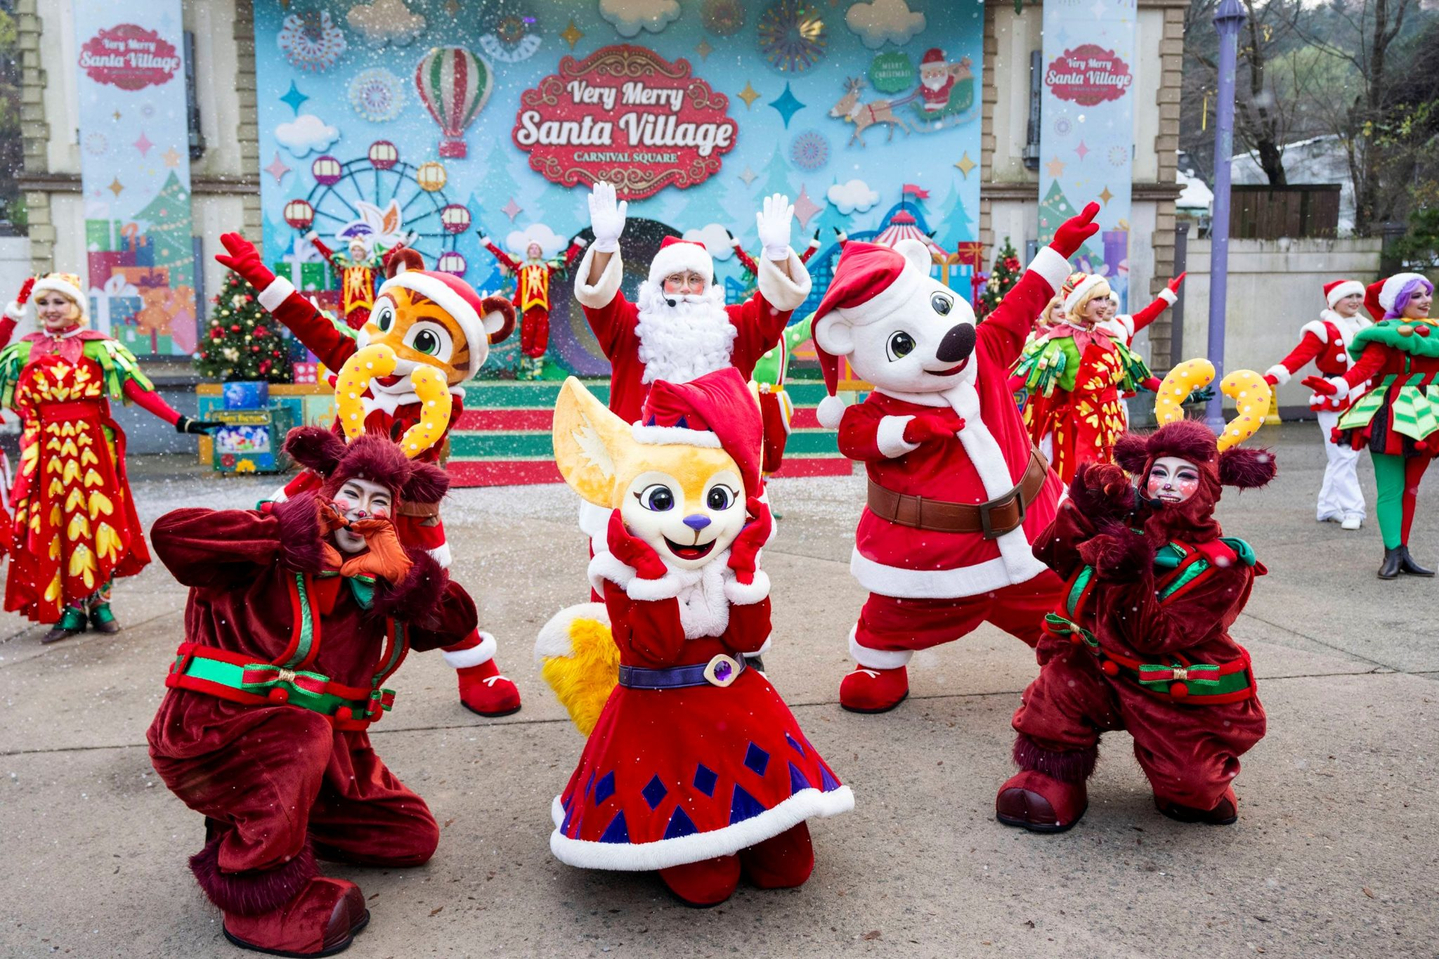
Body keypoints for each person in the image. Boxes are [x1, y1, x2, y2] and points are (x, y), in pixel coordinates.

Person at [148, 428, 474, 956]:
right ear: (327, 493)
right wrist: (284, 528)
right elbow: (172, 536)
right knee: (301, 732)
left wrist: (411, 571)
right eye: (352, 494)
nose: (362, 512)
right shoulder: (265, 551)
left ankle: (278, 819)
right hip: (216, 734)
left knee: (411, 837)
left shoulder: (378, 581)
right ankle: (258, 894)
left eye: (379, 502)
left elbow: (455, 625)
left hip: (329, 758)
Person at [536, 370, 852, 907]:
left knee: (790, 868)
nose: (699, 519)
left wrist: (747, 570)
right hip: (661, 717)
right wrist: (652, 581)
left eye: (717, 497)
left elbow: (751, 639)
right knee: (709, 884)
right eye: (662, 499)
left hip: (741, 708)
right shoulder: (621, 570)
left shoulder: (730, 560)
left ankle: (753, 821)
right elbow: (651, 651)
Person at [808, 204, 1103, 713]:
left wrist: (1057, 253)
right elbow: (856, 436)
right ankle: (879, 663)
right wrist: (908, 431)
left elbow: (1022, 303)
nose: (949, 340)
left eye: (941, 311)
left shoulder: (984, 352)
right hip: (932, 560)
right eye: (902, 342)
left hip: (1027, 542)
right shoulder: (884, 406)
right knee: (891, 619)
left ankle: (1079, 663)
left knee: (1068, 619)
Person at [215, 233, 525, 715]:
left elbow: (418, 455)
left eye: (422, 339)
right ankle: (278, 667)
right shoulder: (352, 366)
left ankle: (476, 669)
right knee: (288, 568)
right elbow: (307, 321)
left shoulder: (439, 400)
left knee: (426, 589)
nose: (392, 345)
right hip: (328, 492)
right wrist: (260, 276)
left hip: (400, 508)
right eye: (386, 323)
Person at [997, 419, 1274, 831]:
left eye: (1185, 476)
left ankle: (1187, 784)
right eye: (1159, 471)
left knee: (1192, 787)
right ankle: (1053, 777)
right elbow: (1053, 553)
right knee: (1054, 702)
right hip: (1089, 669)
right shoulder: (1119, 523)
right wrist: (1086, 504)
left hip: (1168, 688)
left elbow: (1157, 636)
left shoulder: (1226, 565)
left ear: (1210, 487)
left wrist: (1130, 574)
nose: (1167, 483)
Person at [570, 182, 811, 557]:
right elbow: (598, 298)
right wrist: (603, 247)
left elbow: (773, 307)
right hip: (641, 477)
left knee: (716, 588)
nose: (685, 288)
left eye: (695, 280)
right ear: (659, 283)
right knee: (630, 581)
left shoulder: (733, 328)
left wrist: (778, 254)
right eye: (676, 279)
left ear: (707, 285)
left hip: (714, 482)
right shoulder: (631, 326)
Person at [0, 273, 219, 643]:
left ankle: (100, 602)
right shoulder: (23, 351)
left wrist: (181, 421)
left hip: (92, 450)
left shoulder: (99, 347)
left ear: (76, 307)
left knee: (99, 520)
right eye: (44, 303)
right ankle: (68, 608)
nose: (51, 310)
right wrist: (12, 314)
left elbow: (137, 388)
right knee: (55, 525)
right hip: (45, 454)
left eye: (60, 302)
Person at [1315, 272, 1437, 578]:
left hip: (1429, 414)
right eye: (1416, 296)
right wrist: (1337, 387)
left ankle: (1404, 552)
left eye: (1427, 294)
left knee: (1411, 489)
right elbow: (1363, 370)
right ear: (1399, 301)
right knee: (1392, 488)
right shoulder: (1384, 334)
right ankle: (1392, 551)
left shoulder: (1435, 332)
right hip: (1391, 415)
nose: (1426, 301)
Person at [1012, 272, 1164, 482]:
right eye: (1097, 299)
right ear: (1080, 302)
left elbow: (1140, 374)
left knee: (1112, 483)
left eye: (1106, 299)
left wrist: (1174, 391)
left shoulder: (1110, 338)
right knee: (1079, 484)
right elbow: (1022, 377)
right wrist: (983, 394)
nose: (1104, 305)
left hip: (1111, 423)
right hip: (1075, 427)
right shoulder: (1057, 341)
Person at [1262, 279, 1371, 530]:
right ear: (1334, 301)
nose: (1355, 300)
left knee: (1347, 457)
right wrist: (1272, 377)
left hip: (1363, 395)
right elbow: (1299, 356)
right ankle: (1354, 509)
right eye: (1348, 296)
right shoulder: (1322, 330)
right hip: (1332, 396)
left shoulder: (1367, 326)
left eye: (1358, 295)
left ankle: (1328, 507)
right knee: (1342, 454)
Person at [478, 231, 587, 379]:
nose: (534, 250)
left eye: (537, 248)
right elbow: (502, 257)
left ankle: (537, 371)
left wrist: (577, 246)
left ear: (541, 252)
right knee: (526, 338)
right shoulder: (520, 267)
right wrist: (488, 244)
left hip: (542, 308)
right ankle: (527, 371)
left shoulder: (548, 267)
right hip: (526, 309)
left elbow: (566, 260)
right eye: (531, 248)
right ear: (528, 252)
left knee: (540, 337)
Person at [305, 230, 382, 331]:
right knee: (353, 335)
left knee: (366, 332)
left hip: (367, 309)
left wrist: (401, 243)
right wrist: (315, 240)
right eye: (354, 250)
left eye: (360, 250)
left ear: (364, 252)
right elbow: (328, 254)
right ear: (351, 252)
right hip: (351, 310)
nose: (357, 253)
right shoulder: (345, 267)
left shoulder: (371, 268)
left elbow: (388, 258)